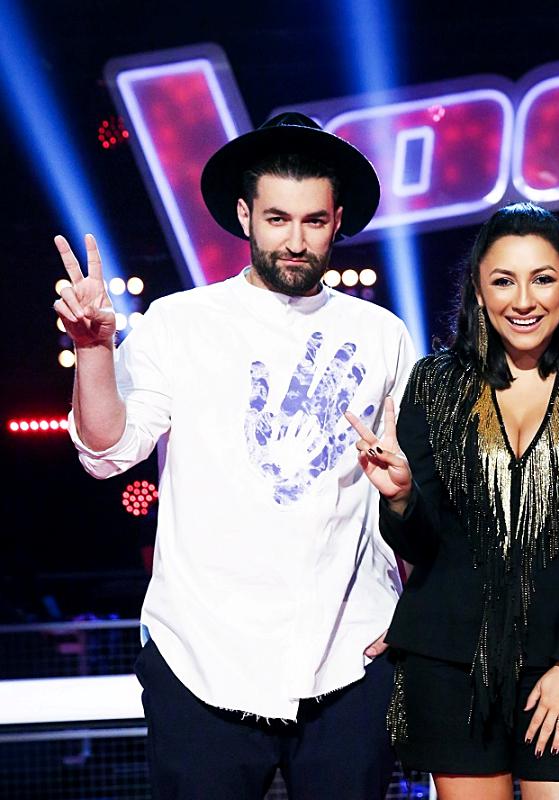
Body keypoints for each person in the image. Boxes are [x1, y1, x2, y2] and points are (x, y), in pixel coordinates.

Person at [55, 112, 416, 799]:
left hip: (351, 656)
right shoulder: (180, 322)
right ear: (245, 215)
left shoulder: (382, 334)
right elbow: (107, 452)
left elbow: (412, 488)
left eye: (313, 221)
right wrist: (94, 348)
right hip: (202, 660)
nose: (295, 240)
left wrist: (417, 608)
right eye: (277, 219)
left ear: (338, 221)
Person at [346, 202, 559, 800]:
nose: (524, 300)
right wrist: (401, 498)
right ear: (479, 293)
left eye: (543, 278)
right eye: (504, 281)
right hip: (451, 664)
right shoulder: (435, 384)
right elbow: (421, 544)